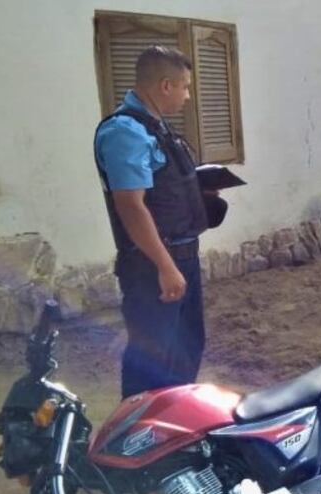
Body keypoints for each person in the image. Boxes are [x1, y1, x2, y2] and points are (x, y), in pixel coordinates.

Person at [94, 46, 218, 399]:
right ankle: (134, 441)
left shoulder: (157, 129)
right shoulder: (125, 132)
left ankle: (172, 434)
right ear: (166, 85)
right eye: (185, 87)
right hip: (153, 265)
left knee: (186, 348)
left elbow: (160, 190)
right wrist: (165, 266)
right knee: (151, 359)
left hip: (182, 257)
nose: (188, 96)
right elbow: (130, 205)